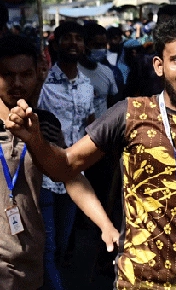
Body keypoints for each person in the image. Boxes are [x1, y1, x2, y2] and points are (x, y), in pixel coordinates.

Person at [6, 16, 176, 289]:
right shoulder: (130, 114)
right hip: (139, 279)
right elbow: (66, 166)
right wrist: (35, 140)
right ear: (159, 66)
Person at [0, 35, 119, 290]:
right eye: (7, 75)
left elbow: (68, 174)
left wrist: (105, 225)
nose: (17, 83)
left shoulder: (45, 125)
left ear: (38, 75)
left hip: (28, 262)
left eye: (26, 74)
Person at [36, 22, 96, 290]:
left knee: (60, 245)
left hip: (73, 178)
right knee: (47, 247)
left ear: (85, 46)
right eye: (67, 38)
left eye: (78, 39)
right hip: (44, 176)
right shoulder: (42, 82)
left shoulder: (87, 85)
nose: (73, 43)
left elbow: (90, 125)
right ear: (57, 43)